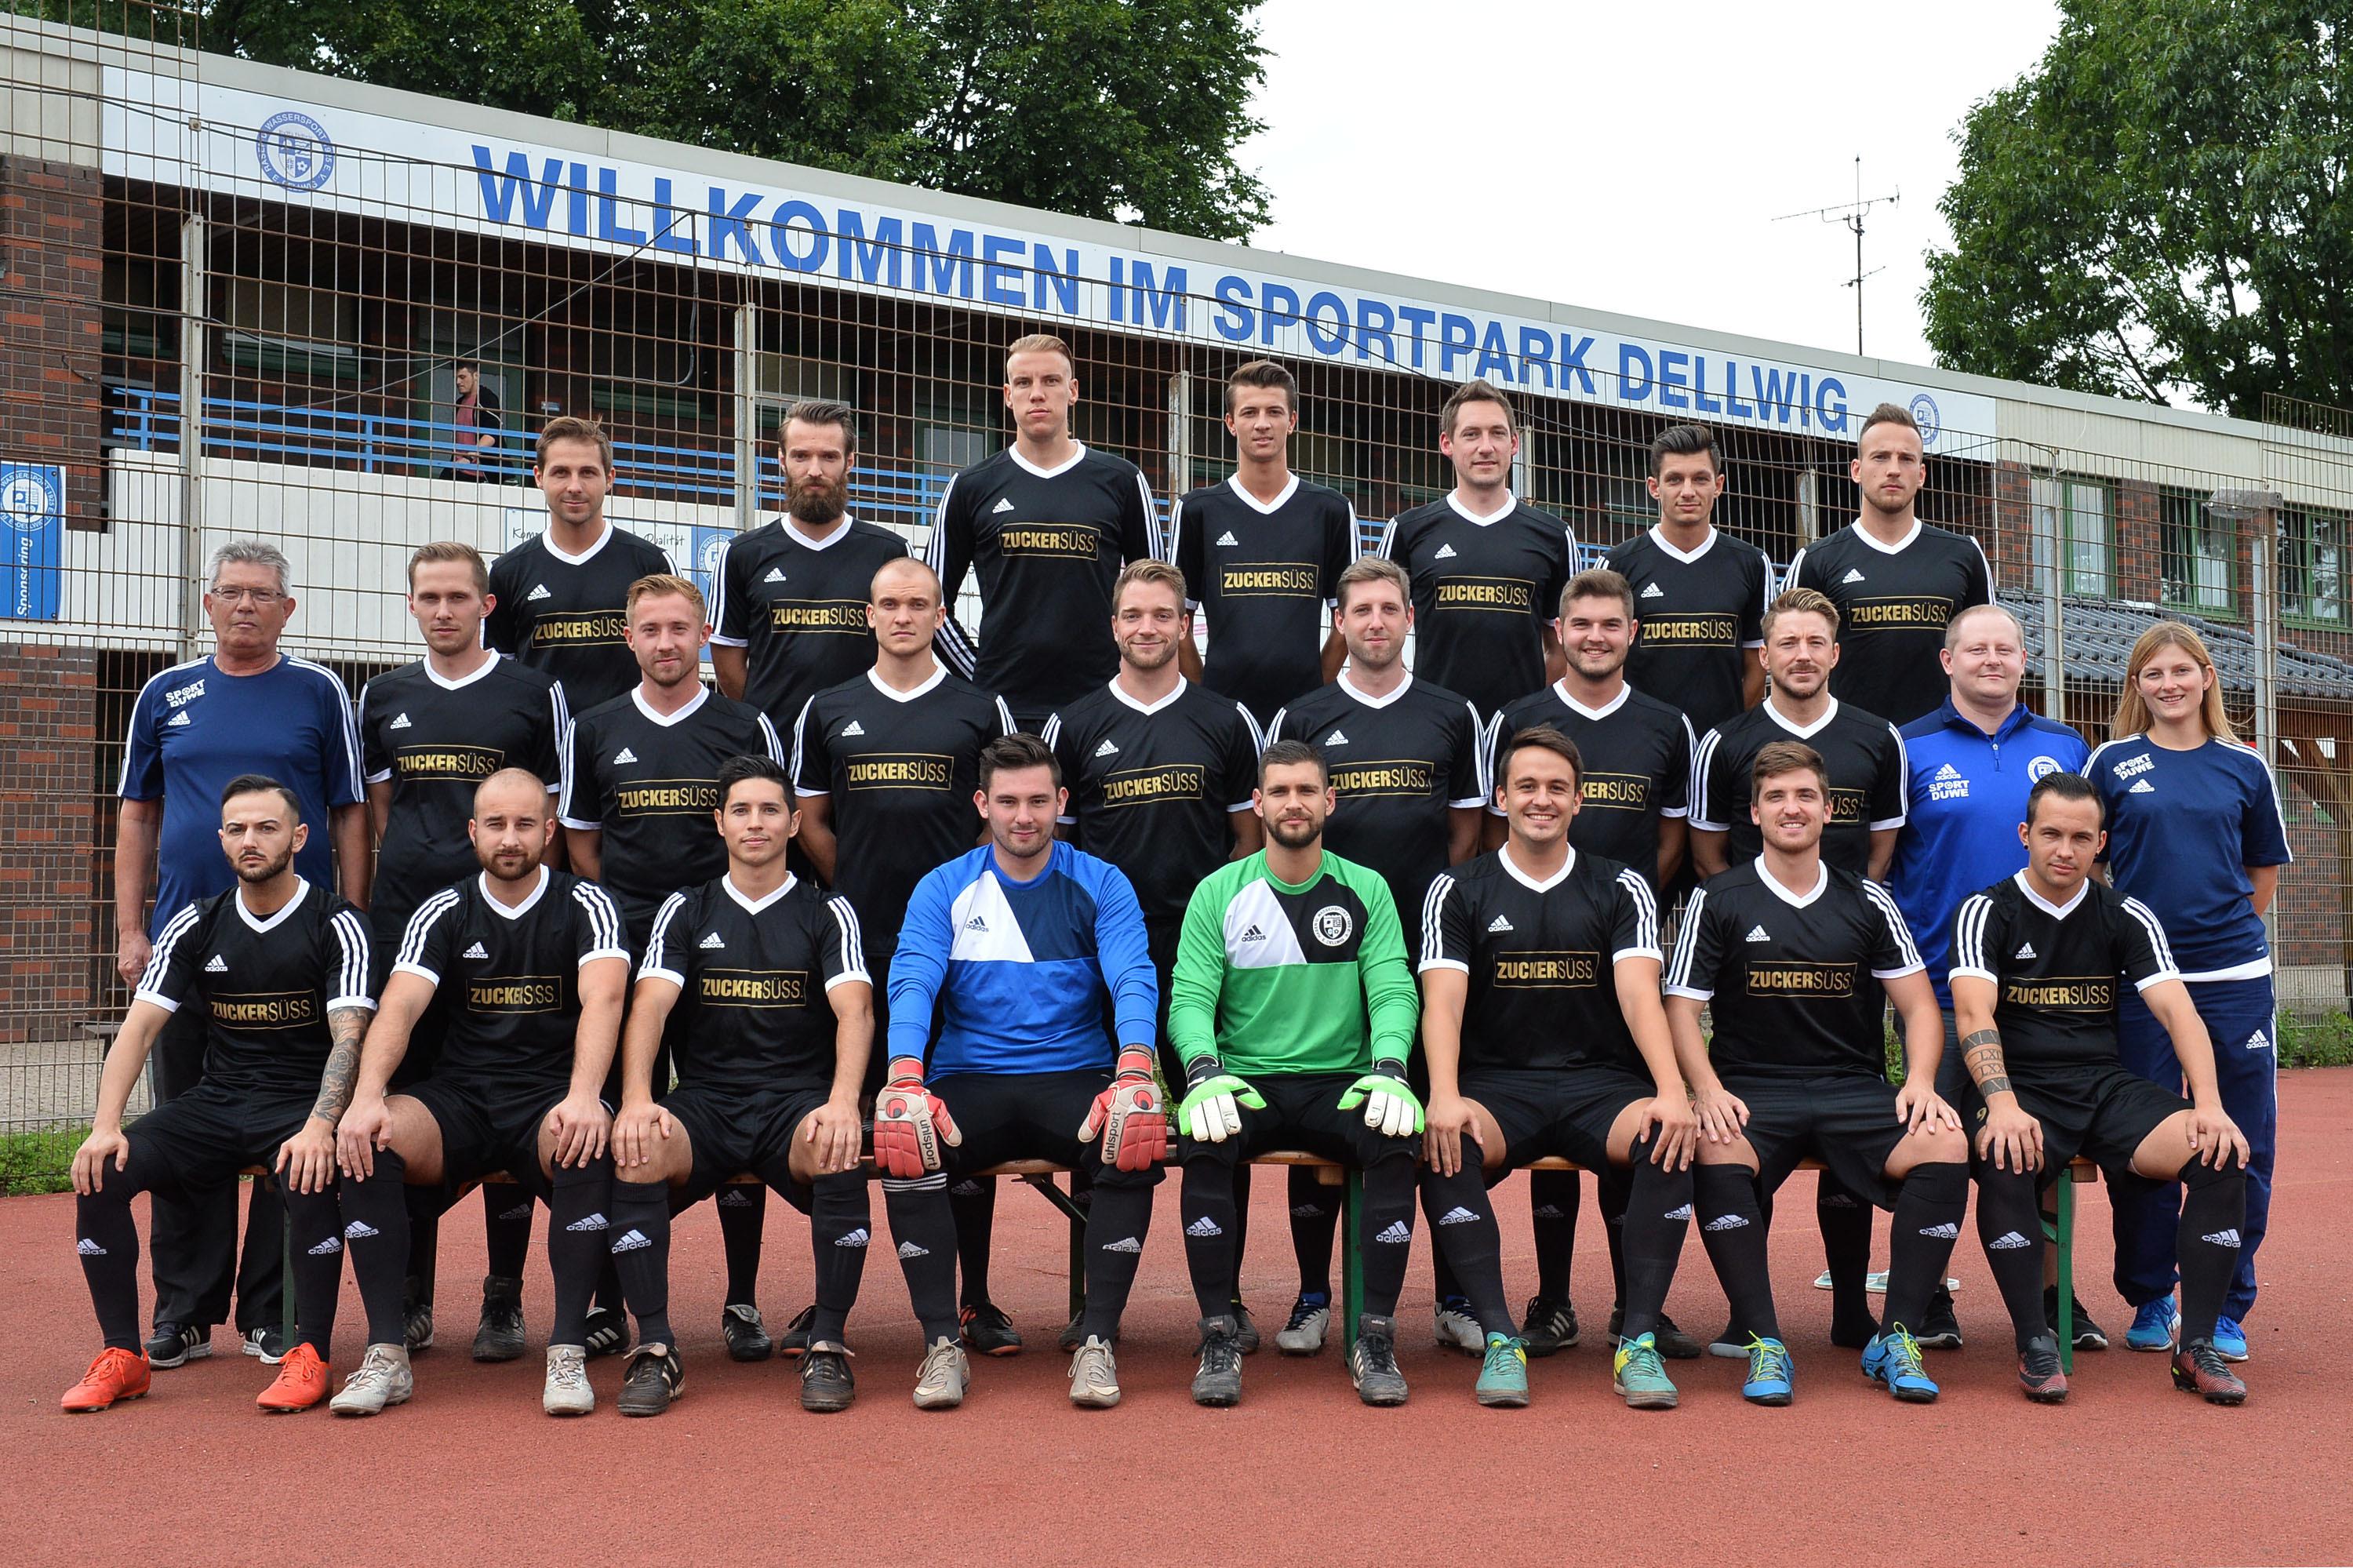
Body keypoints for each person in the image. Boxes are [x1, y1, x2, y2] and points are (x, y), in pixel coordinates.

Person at [605, 755, 967, 1415]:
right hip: (707, 1100)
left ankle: (827, 1341)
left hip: (796, 1102)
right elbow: (650, 1005)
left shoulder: (827, 910)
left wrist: (842, 1102)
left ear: (795, 823)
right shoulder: (686, 908)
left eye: (770, 810)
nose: (756, 823)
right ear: (719, 821)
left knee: (835, 1144)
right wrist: (635, 1100)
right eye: (741, 810)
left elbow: (857, 1011)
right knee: (638, 1147)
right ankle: (655, 1347)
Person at [1170, 738, 1517, 1408]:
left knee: (1395, 1133)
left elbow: (1393, 989)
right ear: (1258, 802)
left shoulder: (1366, 887)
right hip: (1248, 1079)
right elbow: (1190, 996)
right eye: (1279, 791)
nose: (1293, 803)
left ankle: (1375, 1335)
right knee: (1204, 1136)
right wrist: (1203, 1069)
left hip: (1343, 1079)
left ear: (1329, 800)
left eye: (1306, 790)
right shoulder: (1219, 891)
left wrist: (1391, 1067)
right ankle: (1218, 1333)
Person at [115, 538, 366, 1370]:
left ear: (287, 609)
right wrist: (131, 928)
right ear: (209, 604)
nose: (245, 605)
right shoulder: (164, 693)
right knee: (189, 1130)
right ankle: (184, 1311)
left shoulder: (320, 690)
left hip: (298, 952)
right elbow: (137, 813)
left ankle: (269, 1312)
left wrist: (354, 917)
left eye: (261, 593)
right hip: (189, 944)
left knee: (292, 1130)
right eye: (230, 592)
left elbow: (349, 810)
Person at [1665, 740, 1971, 1406]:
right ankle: (1765, 1341)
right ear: (1754, 812)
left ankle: (1896, 1335)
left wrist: (1920, 1081)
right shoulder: (1717, 898)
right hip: (1752, 1089)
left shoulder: (1868, 899)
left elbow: (1921, 1007)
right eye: (1775, 796)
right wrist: (1706, 1090)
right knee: (1711, 1143)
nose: (1792, 807)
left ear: (1829, 809)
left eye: (1805, 795)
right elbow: (1680, 1009)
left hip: (1851, 1088)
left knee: (1946, 1140)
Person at [61, 777, 373, 1414]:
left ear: (299, 837)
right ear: (222, 839)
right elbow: (139, 1028)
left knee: (311, 1169)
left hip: (300, 1103)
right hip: (218, 1100)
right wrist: (105, 1124)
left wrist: (321, 1125)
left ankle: (310, 1352)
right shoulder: (196, 922)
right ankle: (123, 1355)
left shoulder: (338, 923)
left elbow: (350, 1037)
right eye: (237, 829)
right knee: (103, 1170)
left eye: (266, 827)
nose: (250, 840)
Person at [327, 768, 629, 1418]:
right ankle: (387, 1353)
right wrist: (367, 1094)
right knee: (368, 1138)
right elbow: (400, 1006)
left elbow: (604, 998)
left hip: (549, 1097)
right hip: (462, 1097)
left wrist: (585, 1095)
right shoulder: (444, 908)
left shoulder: (588, 904)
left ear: (549, 830)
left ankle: (567, 1350)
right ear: (473, 831)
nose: (510, 837)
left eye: (525, 824)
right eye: (496, 824)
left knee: (584, 1137)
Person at [1948, 771, 2255, 1404]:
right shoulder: (1987, 910)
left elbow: (2178, 1010)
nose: (2065, 849)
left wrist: (2210, 1105)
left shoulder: (2125, 913)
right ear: (2025, 834)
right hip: (2020, 1088)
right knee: (2004, 1154)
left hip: (2102, 1085)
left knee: (2219, 1153)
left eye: (2080, 837)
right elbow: (1974, 1013)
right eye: (2051, 834)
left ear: (2101, 843)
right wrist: (2001, 1103)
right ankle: (2035, 1340)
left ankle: (2195, 1346)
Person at [883, 733, 1164, 1410]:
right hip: (970, 1074)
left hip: (1074, 1071)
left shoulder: (1101, 882)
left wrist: (1135, 1064)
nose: (1024, 816)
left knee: (1132, 1132)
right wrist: (904, 1073)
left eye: (1039, 800)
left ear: (1061, 801)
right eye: (1008, 801)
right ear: (983, 804)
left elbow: (1133, 973)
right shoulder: (944, 885)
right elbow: (913, 978)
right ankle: (942, 1343)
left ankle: (1097, 1341)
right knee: (906, 1134)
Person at [1421, 725, 1697, 1409]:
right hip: (1497, 1086)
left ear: (1578, 800)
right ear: (1500, 797)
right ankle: (1500, 1338)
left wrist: (1671, 1089)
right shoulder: (1457, 888)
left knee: (1667, 1137)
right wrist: (1444, 1093)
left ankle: (1637, 1340)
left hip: (1601, 1085)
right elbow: (1443, 1003)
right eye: (1526, 786)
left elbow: (1640, 995)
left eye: (1556, 787)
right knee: (1443, 1142)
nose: (1540, 799)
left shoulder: (1621, 885)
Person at [559, 571, 787, 1356]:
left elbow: (766, 837)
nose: (666, 643)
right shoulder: (594, 727)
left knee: (734, 1107)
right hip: (629, 961)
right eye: (651, 629)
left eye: (679, 629)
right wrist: (628, 922)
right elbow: (582, 841)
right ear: (629, 638)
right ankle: (609, 1302)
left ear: (703, 635)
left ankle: (742, 1298)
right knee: (625, 1118)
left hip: (727, 950)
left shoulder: (746, 724)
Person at [791, 556, 1014, 1352]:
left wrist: (947, 901)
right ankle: (829, 1304)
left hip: (960, 946)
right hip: (856, 945)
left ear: (941, 613)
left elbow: (999, 818)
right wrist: (851, 886)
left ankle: (973, 1297)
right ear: (870, 614)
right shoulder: (828, 708)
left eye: (918, 603)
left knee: (957, 1119)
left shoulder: (979, 706)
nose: (903, 616)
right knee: (849, 1120)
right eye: (889, 603)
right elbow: (811, 818)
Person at [1264, 555, 1486, 1354]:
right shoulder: (1304, 713)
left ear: (1410, 619)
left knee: (1429, 1117)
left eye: (1390, 608)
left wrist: (1426, 917)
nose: (1376, 622)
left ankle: (1455, 1296)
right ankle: (1312, 1296)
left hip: (1424, 952)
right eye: (1361, 610)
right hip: (1320, 950)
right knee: (1318, 1115)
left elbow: (1467, 831)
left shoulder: (1452, 713)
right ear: (1341, 621)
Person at [358, 540, 569, 1361]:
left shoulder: (534, 692)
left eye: (457, 597)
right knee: (412, 1105)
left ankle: (503, 1295)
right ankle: (413, 1295)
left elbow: (552, 811)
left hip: (510, 926)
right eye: (429, 597)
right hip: (410, 925)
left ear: (487, 605)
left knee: (508, 1095)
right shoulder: (384, 696)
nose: (442, 610)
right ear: (411, 605)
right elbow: (382, 808)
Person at [1042, 558, 1261, 1348]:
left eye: (1162, 614)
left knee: (1215, 1119)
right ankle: (1096, 1305)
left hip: (1202, 956)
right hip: (1105, 958)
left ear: (1184, 625)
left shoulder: (1225, 720)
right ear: (1114, 626)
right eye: (1133, 614)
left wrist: (1216, 934)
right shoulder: (1073, 724)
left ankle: (1225, 1298)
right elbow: (1058, 856)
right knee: (1102, 1119)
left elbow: (1247, 842)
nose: (1147, 627)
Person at [1482, 569, 1700, 1359]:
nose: (1596, 637)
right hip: (1532, 944)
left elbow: (1674, 837)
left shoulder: (1667, 724)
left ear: (1632, 633)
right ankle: (1552, 1300)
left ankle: (1635, 1306)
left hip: (1624, 942)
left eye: (1611, 625)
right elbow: (1493, 832)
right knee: (1549, 1106)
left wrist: (1623, 906)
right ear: (1559, 632)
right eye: (1582, 625)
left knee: (1624, 1116)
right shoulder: (1518, 718)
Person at [1883, 602, 2091, 1350]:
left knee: (2039, 1145)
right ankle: (1929, 1296)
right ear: (1948, 661)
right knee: (1934, 1144)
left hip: (2039, 990)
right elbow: (1883, 862)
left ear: (2024, 660)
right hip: (1937, 987)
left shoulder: (2065, 745)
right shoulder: (1907, 746)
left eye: (2006, 648)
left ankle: (2056, 1297)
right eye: (1976, 649)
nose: (1992, 660)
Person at [2086, 623, 2289, 1362]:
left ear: (2206, 676)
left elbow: (2261, 873)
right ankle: (2151, 1293)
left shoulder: (2245, 766)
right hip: (2142, 984)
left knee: (2243, 1137)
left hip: (2233, 980)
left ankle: (2227, 1301)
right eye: (2153, 674)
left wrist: (2218, 937)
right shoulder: (2110, 762)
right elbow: (2092, 867)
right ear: (2136, 686)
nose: (2168, 684)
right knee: (2143, 1140)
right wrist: (2140, 945)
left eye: (2181, 670)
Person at [927, 333, 1161, 732]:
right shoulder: (971, 487)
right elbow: (928, 603)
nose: (1037, 394)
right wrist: (978, 678)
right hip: (1004, 708)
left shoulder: (1122, 481)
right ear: (1008, 395)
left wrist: (1128, 680)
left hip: (1101, 706)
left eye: (1051, 381)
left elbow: (1159, 597)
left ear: (1073, 391)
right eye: (1023, 383)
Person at [1167, 359, 1355, 732]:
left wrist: (1316, 691)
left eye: (1274, 412)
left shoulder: (1330, 510)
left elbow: (1349, 620)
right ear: (1230, 423)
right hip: (1221, 719)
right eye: (1249, 412)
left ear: (1293, 421)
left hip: (1305, 718)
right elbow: (1175, 619)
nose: (1262, 423)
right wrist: (1206, 696)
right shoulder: (1196, 511)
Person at [711, 400, 920, 732]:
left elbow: (911, 650)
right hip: (774, 746)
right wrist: (763, 725)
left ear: (849, 462)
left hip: (866, 742)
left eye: (829, 457)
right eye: (801, 456)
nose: (814, 470)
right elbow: (727, 658)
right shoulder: (742, 555)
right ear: (782, 460)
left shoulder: (890, 553)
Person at [1375, 378, 1577, 723]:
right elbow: (1376, 626)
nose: (1486, 447)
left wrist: (1529, 710)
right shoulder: (1408, 530)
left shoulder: (1554, 535)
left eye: (1497, 433)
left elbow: (1562, 645)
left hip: (1522, 732)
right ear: (1447, 444)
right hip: (1433, 727)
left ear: (1514, 444)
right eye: (1471, 435)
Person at [1784, 402, 1993, 727]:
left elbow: (1989, 651)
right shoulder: (1816, 561)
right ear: (1856, 470)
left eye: (1906, 459)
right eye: (1880, 457)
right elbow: (1788, 661)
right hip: (1849, 740)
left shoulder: (1964, 554)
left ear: (1921, 474)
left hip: (1942, 740)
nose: (1893, 469)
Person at [1691, 588, 1907, 882]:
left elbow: (1881, 856)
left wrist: (1847, 904)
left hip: (1849, 910)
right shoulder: (1723, 744)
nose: (1803, 656)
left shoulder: (1881, 739)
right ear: (1765, 656)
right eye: (1788, 644)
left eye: (1816, 643)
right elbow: (1708, 859)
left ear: (1834, 654)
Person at [486, 417, 677, 714]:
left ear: (610, 478)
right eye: (561, 472)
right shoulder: (507, 572)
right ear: (539, 477)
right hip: (542, 737)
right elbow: (500, 678)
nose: (574, 486)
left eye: (587, 472)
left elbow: (677, 663)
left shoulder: (651, 563)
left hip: (628, 735)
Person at [1602, 423, 1773, 737]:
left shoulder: (1752, 564)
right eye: (1675, 479)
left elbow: (1757, 664)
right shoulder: (1617, 565)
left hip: (1722, 745)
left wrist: (1729, 734)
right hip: (1640, 742)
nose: (1688, 491)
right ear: (1654, 487)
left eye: (1700, 479)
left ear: (1718, 485)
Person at [446, 362, 504, 483]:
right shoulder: (459, 403)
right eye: (456, 378)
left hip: (480, 473)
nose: (458, 382)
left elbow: (491, 435)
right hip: (457, 468)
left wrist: (469, 458)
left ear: (476, 376)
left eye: (462, 377)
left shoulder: (487, 399)